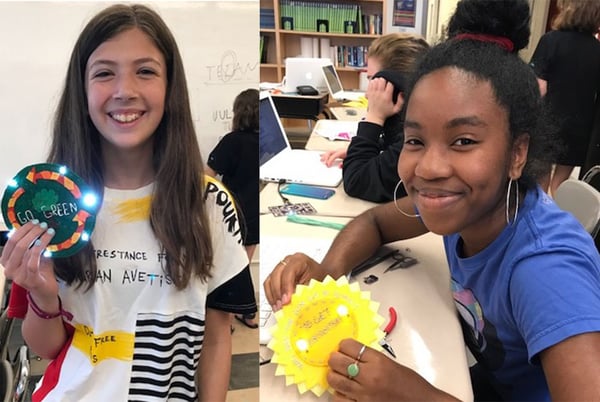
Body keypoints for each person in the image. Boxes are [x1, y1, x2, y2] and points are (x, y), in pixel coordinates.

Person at [264, 0, 600, 400]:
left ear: (517, 154)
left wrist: (410, 393)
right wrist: (326, 274)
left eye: (463, 141)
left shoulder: (544, 270)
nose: (429, 167)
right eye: (415, 140)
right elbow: (375, 223)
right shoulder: (468, 205)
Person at [1, 4, 256, 401]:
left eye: (146, 71)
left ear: (170, 86)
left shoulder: (207, 203)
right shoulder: (53, 204)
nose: (125, 90)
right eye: (104, 73)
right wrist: (43, 295)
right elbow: (46, 349)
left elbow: (217, 339)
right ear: (81, 89)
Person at [320, 33, 430, 202]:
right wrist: (363, 149)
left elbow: (357, 181)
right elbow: (392, 144)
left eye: (373, 80)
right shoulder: (420, 118)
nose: (367, 93)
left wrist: (374, 117)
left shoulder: (419, 139)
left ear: (392, 85)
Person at [529, 0, 600, 195]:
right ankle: (557, 215)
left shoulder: (550, 41)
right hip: (579, 129)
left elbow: (539, 88)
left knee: (540, 180)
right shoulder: (597, 50)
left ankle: (542, 217)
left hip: (548, 124)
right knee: (561, 182)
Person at [206, 88, 259, 329]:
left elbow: (206, 178)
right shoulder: (264, 140)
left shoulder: (232, 141)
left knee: (227, 269)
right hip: (255, 214)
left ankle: (224, 318)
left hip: (232, 215)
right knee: (243, 266)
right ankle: (248, 314)